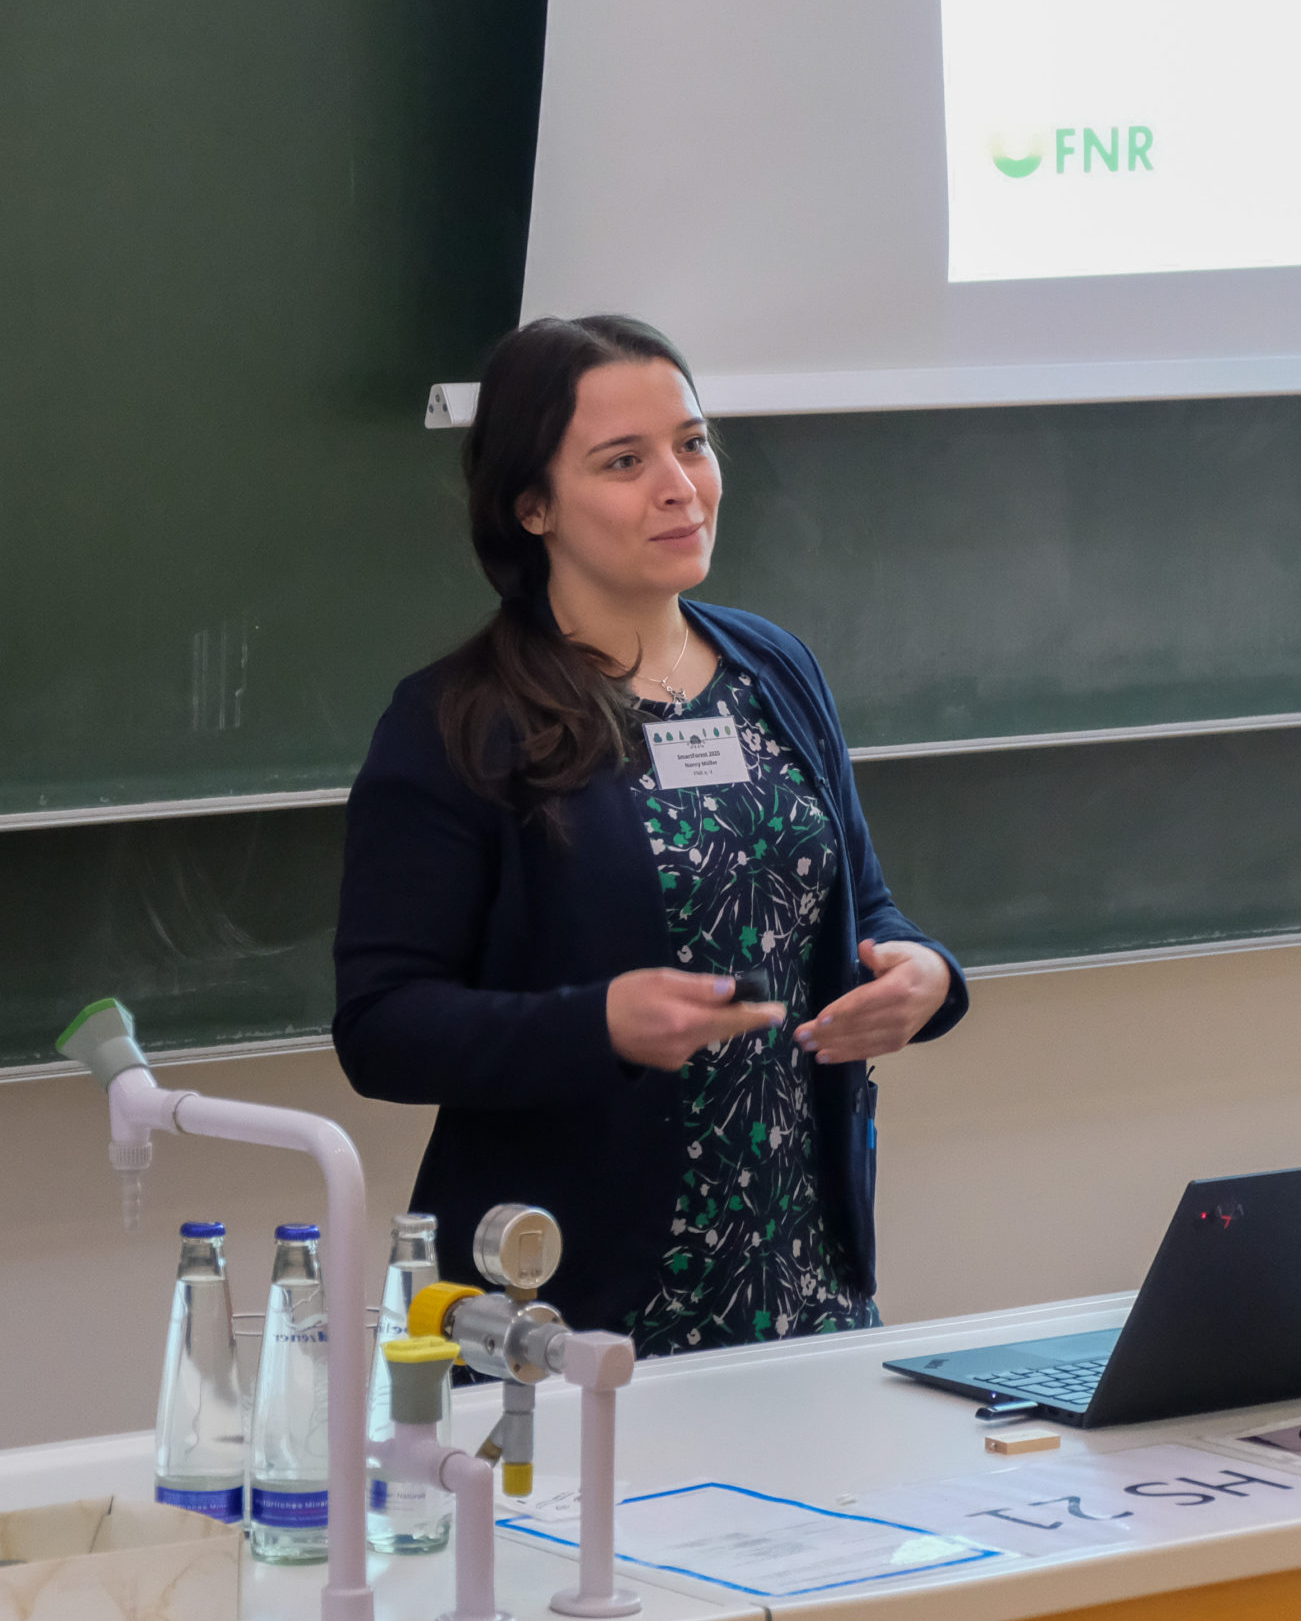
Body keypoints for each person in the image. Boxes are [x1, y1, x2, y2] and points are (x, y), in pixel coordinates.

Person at [332, 315, 967, 1351]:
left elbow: (863, 903)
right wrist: (598, 1024)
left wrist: (926, 975)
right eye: (623, 462)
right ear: (532, 505)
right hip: (569, 1307)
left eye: (692, 443)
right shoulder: (459, 720)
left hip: (803, 1281)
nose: (679, 485)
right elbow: (381, 1027)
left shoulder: (774, 670)